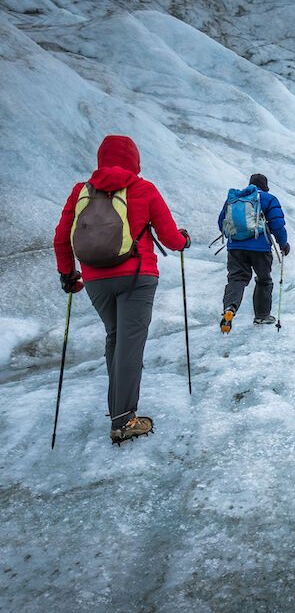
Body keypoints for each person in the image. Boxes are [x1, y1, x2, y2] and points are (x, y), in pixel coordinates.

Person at [53, 135, 191, 444]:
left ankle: (119, 409)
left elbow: (62, 238)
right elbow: (170, 237)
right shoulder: (143, 189)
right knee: (130, 344)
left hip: (96, 279)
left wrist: (68, 275)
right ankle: (124, 420)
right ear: (135, 160)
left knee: (115, 337)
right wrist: (184, 241)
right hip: (137, 277)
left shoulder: (80, 192)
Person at [218, 173, 289, 332]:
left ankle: (230, 308)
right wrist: (283, 244)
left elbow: (221, 222)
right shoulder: (268, 199)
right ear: (265, 186)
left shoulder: (235, 199)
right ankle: (262, 316)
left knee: (236, 279)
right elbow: (277, 225)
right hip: (260, 248)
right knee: (264, 280)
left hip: (235, 248)